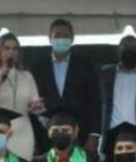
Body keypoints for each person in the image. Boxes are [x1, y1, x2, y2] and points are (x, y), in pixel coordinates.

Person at [31, 18, 101, 152]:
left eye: (65, 36)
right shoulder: (38, 67)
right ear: (49, 38)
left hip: (80, 134)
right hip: (46, 135)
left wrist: (93, 135)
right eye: (57, 36)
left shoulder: (86, 66)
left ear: (72, 39)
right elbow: (33, 102)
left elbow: (95, 102)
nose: (61, 39)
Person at [0, 33, 44, 161]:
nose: (11, 52)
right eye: (6, 48)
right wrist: (0, 80)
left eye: (15, 49)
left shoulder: (26, 76)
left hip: (23, 133)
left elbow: (36, 105)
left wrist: (35, 106)